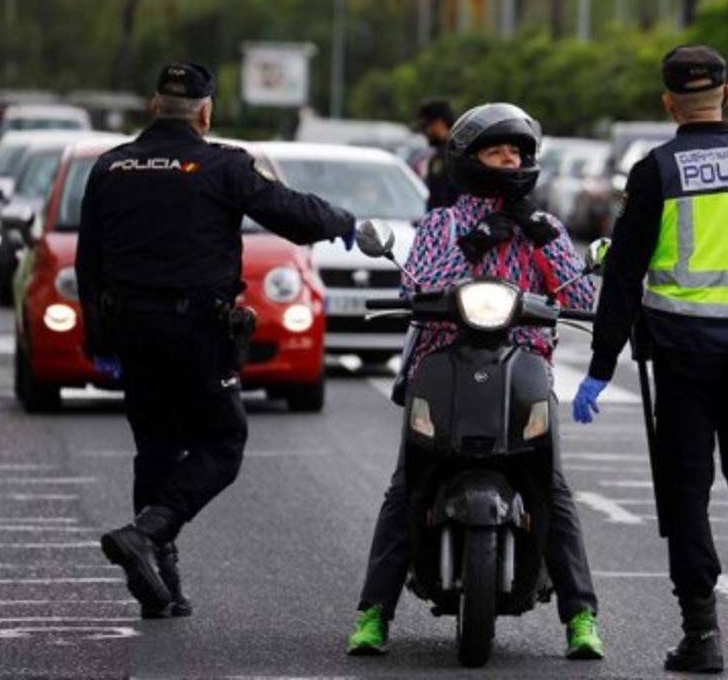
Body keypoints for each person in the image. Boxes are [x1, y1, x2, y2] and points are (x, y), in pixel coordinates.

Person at [76, 62, 356, 619]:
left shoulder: (110, 168)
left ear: (154, 106)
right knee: (222, 445)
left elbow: (89, 262)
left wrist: (99, 337)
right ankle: (148, 533)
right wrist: (341, 221)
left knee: (155, 447)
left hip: (132, 328)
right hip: (198, 329)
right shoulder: (221, 164)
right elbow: (291, 214)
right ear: (206, 112)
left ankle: (162, 582)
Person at [573, 45, 728, 674]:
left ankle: (702, 637)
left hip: (681, 360)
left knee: (686, 495)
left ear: (667, 102)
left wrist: (600, 367)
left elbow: (623, 277)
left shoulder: (658, 171)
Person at [347, 102, 605, 661]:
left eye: (516, 151)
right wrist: (475, 245)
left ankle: (581, 615)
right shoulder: (443, 223)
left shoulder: (547, 227)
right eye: (497, 150)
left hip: (524, 370)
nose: (509, 159)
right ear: (469, 159)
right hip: (442, 367)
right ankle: (373, 613)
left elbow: (581, 301)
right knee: (408, 482)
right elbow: (415, 292)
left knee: (550, 486)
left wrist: (544, 241)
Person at [414, 98, 460, 210]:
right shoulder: (444, 153)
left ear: (439, 123)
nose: (425, 132)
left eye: (426, 126)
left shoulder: (454, 155)